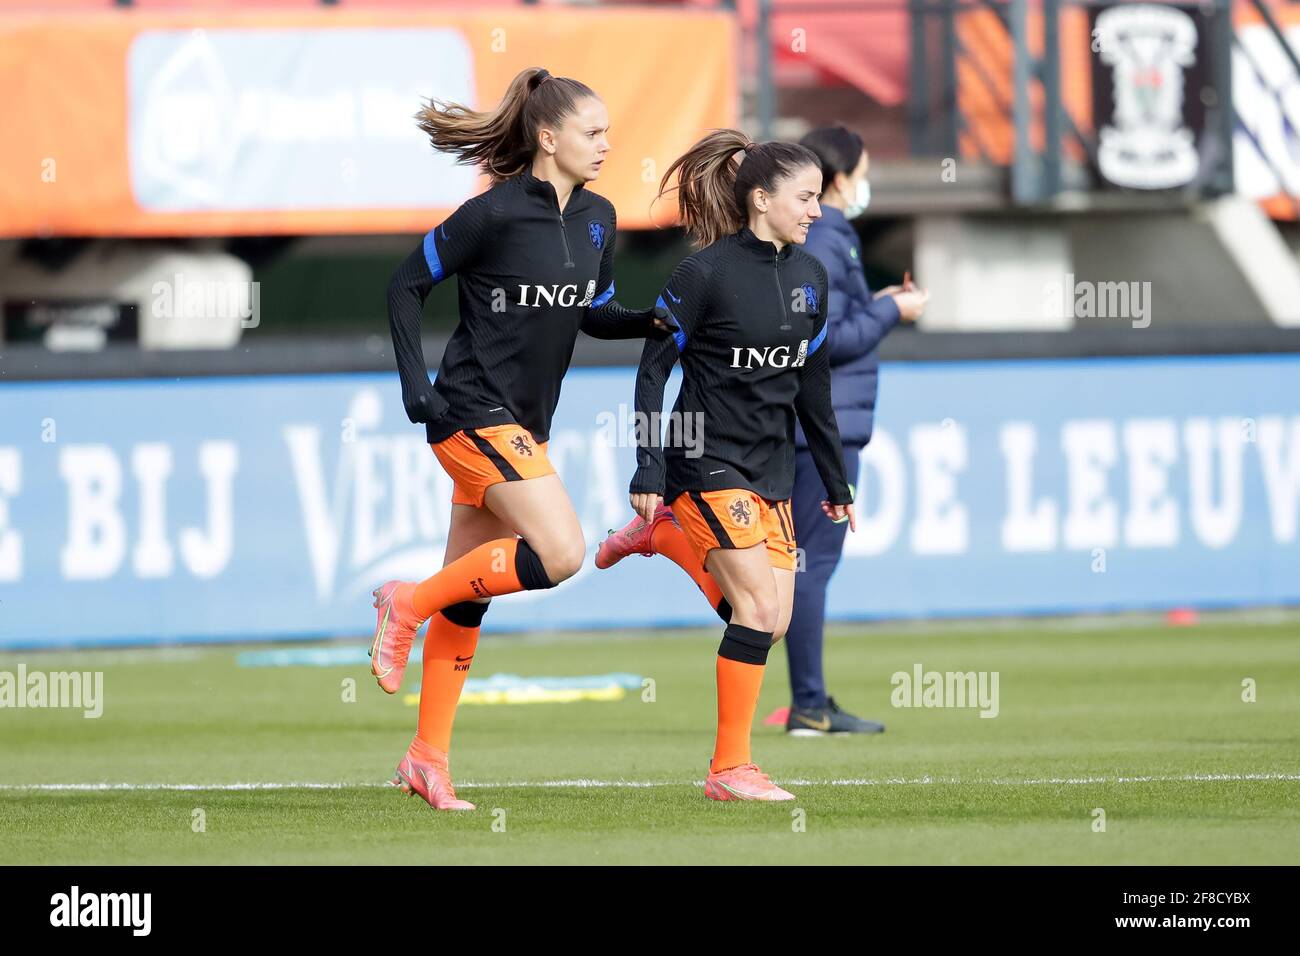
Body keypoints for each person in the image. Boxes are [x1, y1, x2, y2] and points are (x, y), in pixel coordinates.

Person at [376, 66, 672, 811]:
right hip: (471, 414)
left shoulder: (601, 218)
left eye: (608, 132)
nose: (607, 144)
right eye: (592, 132)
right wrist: (417, 385)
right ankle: (405, 601)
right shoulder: (495, 214)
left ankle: (425, 759)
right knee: (563, 552)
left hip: (522, 427)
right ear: (548, 137)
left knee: (468, 598)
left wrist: (649, 320)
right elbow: (405, 285)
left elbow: (593, 315)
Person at [597, 129, 855, 801]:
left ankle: (665, 540)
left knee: (769, 624)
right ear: (762, 199)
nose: (817, 211)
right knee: (756, 604)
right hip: (703, 459)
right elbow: (652, 374)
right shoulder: (704, 274)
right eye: (805, 198)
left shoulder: (812, 278)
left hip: (770, 467)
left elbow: (814, 388)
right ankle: (729, 770)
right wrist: (648, 469)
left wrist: (835, 481)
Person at [783, 126, 928, 736]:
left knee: (793, 565)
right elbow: (831, 340)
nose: (865, 184)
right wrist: (893, 309)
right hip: (825, 431)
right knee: (809, 564)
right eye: (863, 172)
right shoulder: (830, 236)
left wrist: (878, 303)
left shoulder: (814, 238)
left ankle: (807, 701)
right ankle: (809, 705)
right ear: (840, 179)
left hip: (810, 426)